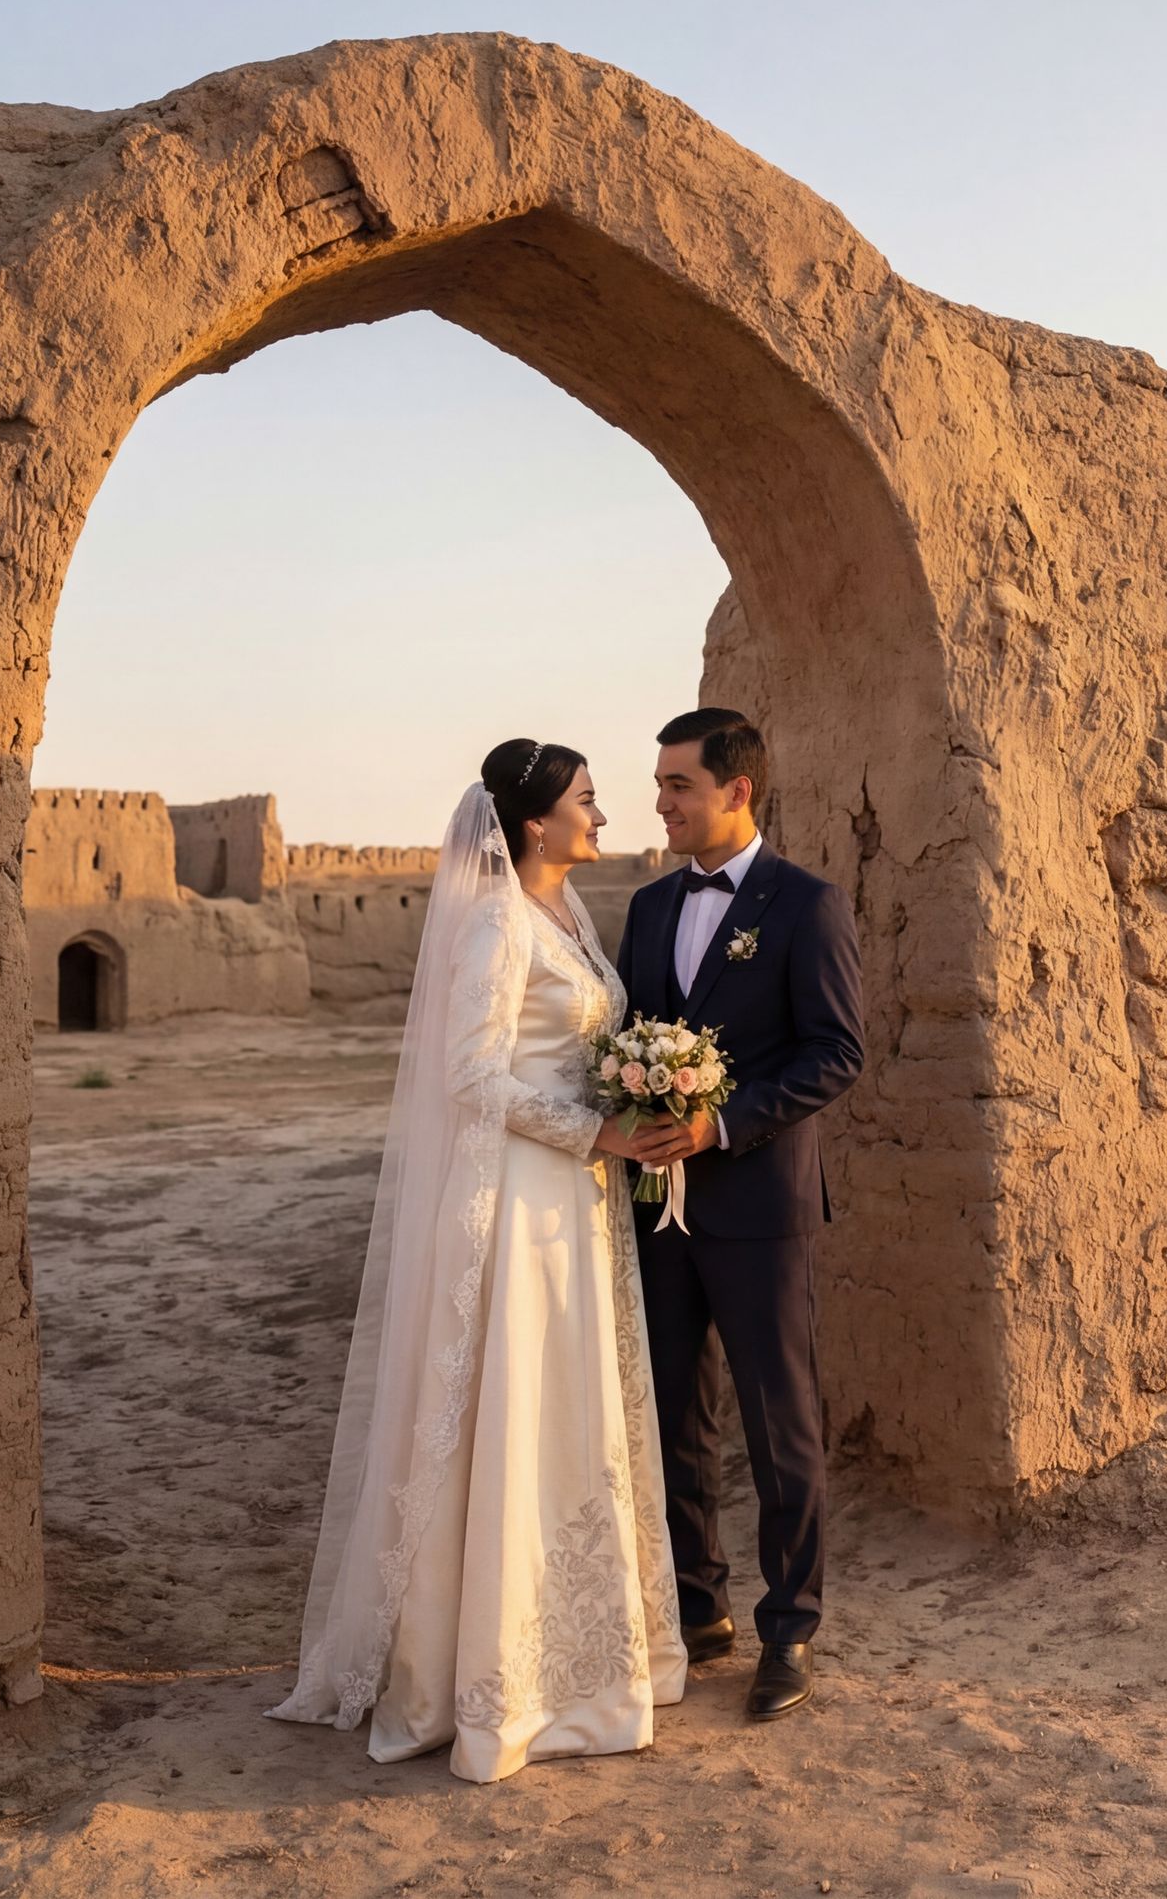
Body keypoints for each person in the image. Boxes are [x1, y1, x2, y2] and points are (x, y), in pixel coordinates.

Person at [267, 740, 694, 1782]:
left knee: (570, 1414)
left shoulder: (568, 916)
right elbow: (469, 1074)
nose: (605, 816)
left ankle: (585, 1661)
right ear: (536, 823)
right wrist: (594, 1132)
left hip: (578, 1198)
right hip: (523, 1200)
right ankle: (500, 1684)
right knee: (519, 1410)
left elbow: (570, 1047)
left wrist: (634, 1101)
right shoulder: (499, 921)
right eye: (587, 802)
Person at [614, 708, 866, 1721]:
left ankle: (790, 1627)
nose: (662, 801)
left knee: (779, 1423)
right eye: (661, 782)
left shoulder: (808, 905)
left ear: (736, 793)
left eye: (678, 783)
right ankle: (696, 1603)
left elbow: (836, 1053)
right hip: (654, 1208)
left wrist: (722, 1126)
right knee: (673, 1412)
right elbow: (632, 1027)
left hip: (761, 1207)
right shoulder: (644, 906)